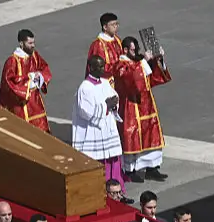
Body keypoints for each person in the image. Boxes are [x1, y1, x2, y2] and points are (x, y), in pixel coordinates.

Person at [116, 36, 171, 183]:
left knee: (151, 135)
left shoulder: (137, 61)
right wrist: (144, 62)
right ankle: (130, 170)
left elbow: (152, 78)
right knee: (133, 137)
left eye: (137, 49)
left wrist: (158, 60)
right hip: (131, 106)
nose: (136, 52)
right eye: (133, 50)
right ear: (125, 49)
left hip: (147, 105)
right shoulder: (121, 65)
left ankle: (152, 168)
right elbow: (132, 80)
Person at [73, 56, 126, 195]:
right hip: (93, 132)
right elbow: (85, 111)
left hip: (107, 129)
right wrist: (105, 106)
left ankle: (117, 192)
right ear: (90, 68)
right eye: (99, 67)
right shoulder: (84, 88)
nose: (102, 69)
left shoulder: (104, 83)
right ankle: (99, 194)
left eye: (103, 66)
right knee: (98, 163)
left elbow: (114, 97)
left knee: (112, 159)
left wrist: (114, 103)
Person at [0, 29, 52, 132]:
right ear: (21, 43)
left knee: (42, 130)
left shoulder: (34, 56)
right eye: (30, 43)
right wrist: (29, 81)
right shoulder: (12, 61)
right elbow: (9, 82)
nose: (33, 45)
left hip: (36, 102)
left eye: (33, 42)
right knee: (24, 132)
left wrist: (40, 76)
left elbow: (44, 68)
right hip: (21, 105)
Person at [87, 12, 123, 84]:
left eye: (117, 24)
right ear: (105, 27)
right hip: (106, 82)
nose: (116, 26)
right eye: (113, 24)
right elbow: (98, 67)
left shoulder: (117, 39)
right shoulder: (98, 45)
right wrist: (119, 67)